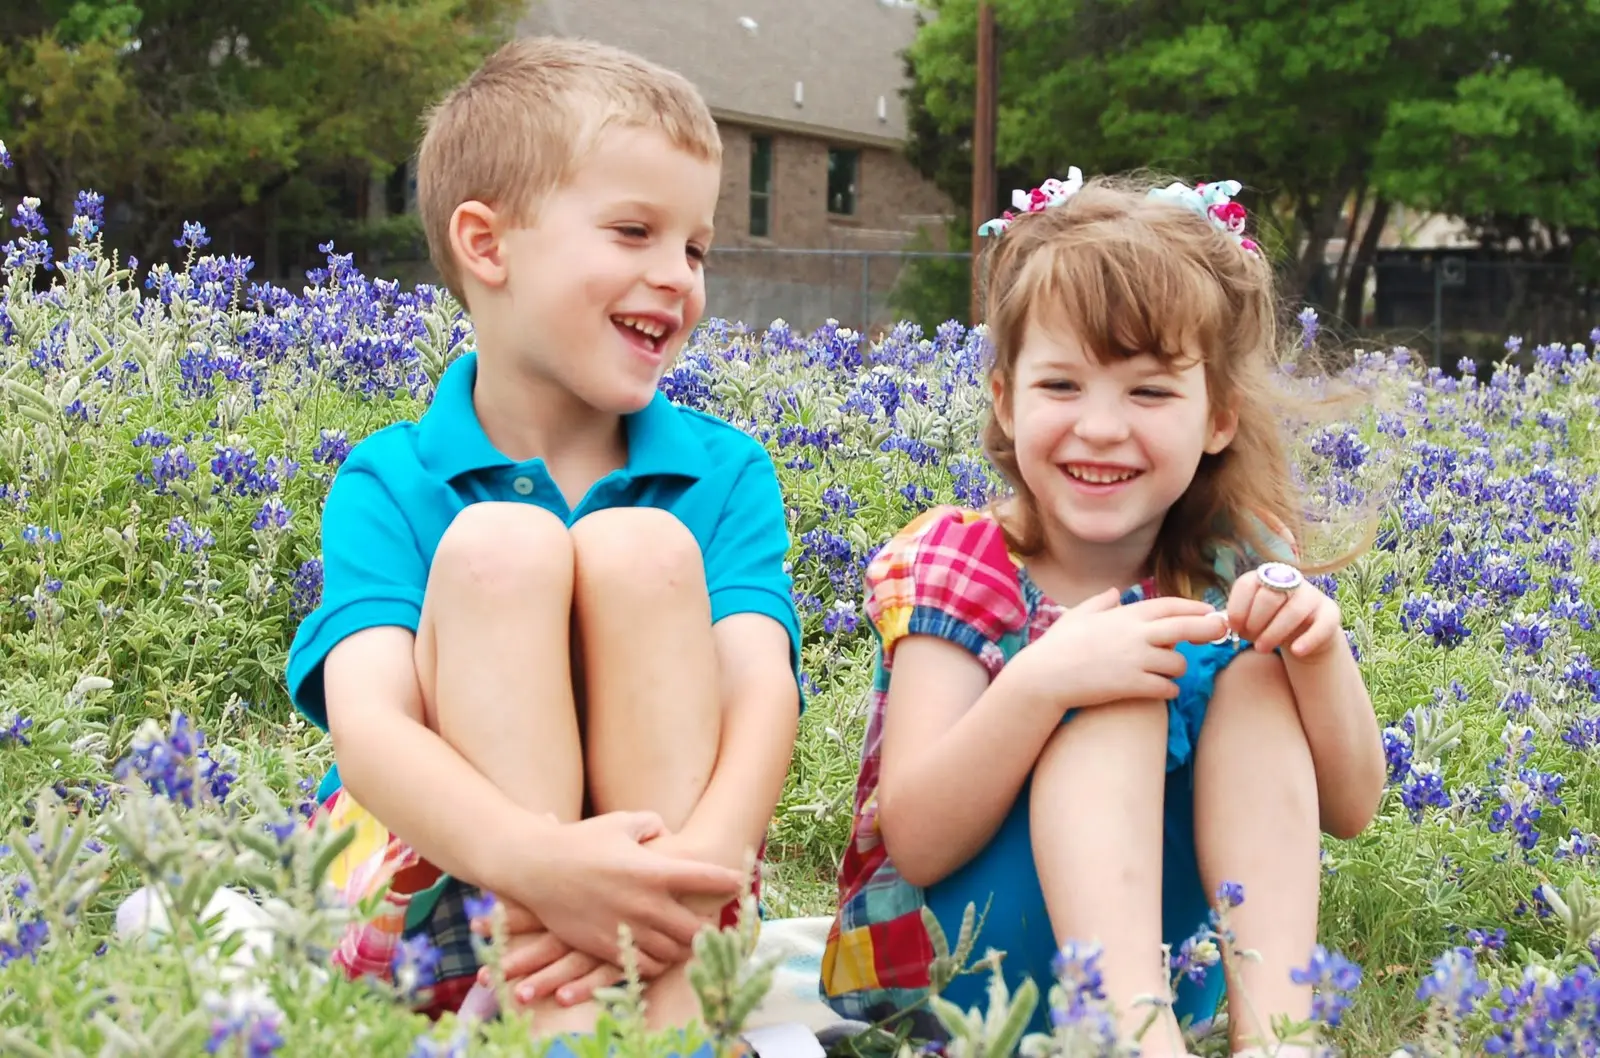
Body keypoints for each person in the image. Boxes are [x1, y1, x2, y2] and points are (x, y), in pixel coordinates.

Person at [283, 36, 803, 1042]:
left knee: (643, 549)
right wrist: (537, 866)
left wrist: (693, 876)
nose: (677, 277)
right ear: (487, 245)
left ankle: (663, 1016)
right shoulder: (391, 476)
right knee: (499, 548)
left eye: (693, 248)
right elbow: (369, 724)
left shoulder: (724, 469)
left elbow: (760, 689)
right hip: (438, 900)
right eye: (633, 231)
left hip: (672, 899)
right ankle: (548, 1013)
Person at [819, 170, 1386, 1058]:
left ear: (1218, 419)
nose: (1101, 427)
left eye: (1150, 392)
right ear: (1006, 401)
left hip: (1173, 963)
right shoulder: (963, 565)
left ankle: (1277, 1039)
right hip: (959, 985)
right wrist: (1044, 682)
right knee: (1119, 680)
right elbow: (918, 840)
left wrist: (1319, 653)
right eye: (1062, 386)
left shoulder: (1235, 558)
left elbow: (1352, 807)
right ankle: (1130, 1043)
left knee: (1256, 670)